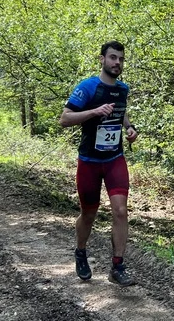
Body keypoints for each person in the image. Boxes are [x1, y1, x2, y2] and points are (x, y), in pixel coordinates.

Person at [59, 40, 139, 287]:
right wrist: (94, 112)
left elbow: (121, 111)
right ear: (102, 59)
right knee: (89, 213)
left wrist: (129, 128)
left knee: (120, 210)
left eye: (121, 59)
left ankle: (117, 266)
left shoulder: (123, 89)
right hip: (89, 162)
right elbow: (64, 119)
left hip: (114, 159)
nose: (117, 63)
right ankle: (81, 252)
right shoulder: (88, 87)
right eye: (113, 57)